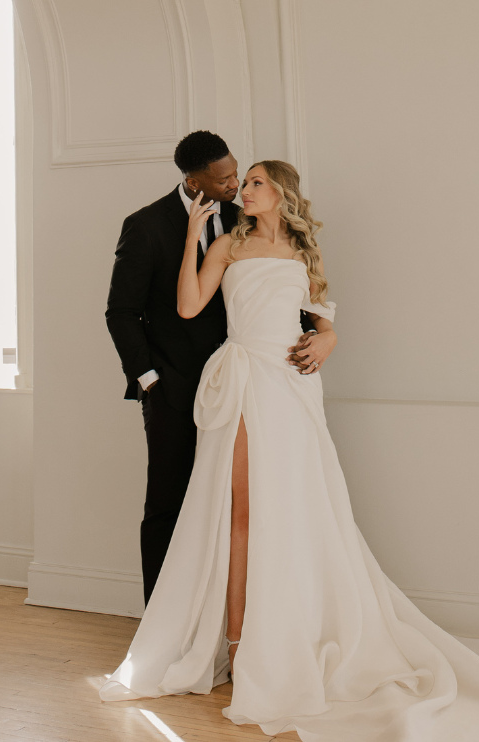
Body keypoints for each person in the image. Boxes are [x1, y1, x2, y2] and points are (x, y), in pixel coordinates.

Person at [101, 160, 479, 741]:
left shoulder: (302, 253)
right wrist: (194, 233)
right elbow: (189, 306)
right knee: (240, 515)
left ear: (282, 193)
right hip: (244, 384)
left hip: (293, 386)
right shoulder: (229, 246)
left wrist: (330, 338)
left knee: (298, 512)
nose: (245, 190)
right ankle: (239, 647)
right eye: (244, 184)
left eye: (256, 182)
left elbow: (323, 318)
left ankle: (290, 635)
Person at [105, 132, 322, 603]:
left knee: (243, 500)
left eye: (238, 174)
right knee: (170, 502)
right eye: (224, 179)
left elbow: (282, 288)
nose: (235, 185)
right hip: (174, 386)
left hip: (252, 382)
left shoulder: (243, 215)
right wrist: (149, 380)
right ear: (193, 178)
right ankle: (164, 621)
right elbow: (121, 312)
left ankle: (234, 617)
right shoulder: (145, 225)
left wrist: (321, 334)